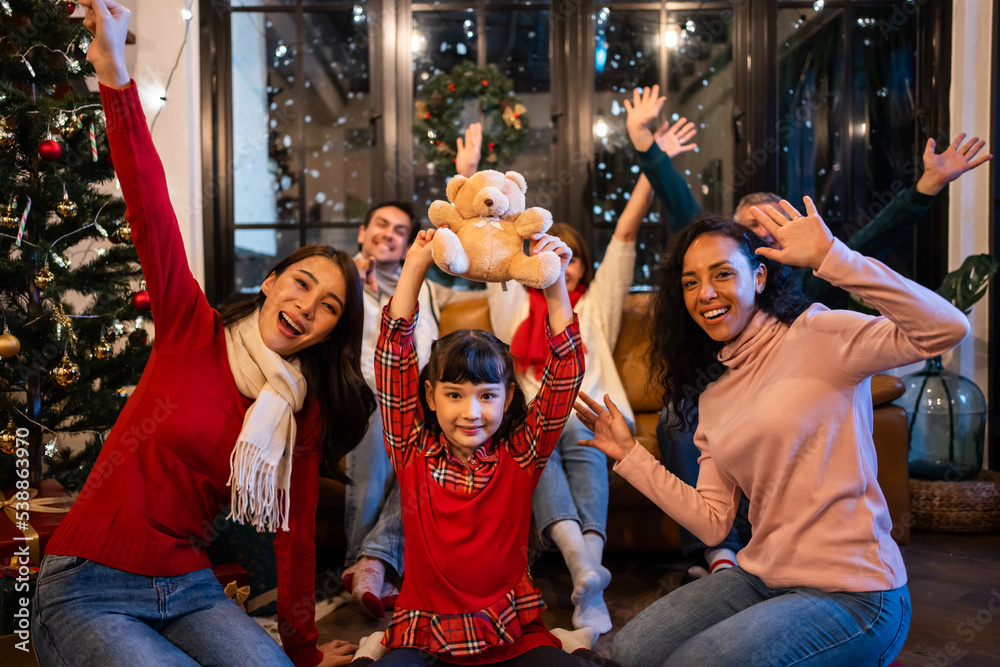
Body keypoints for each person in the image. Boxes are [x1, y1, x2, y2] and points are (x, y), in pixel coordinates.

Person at [33, 3, 373, 666]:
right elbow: (150, 205)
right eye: (302, 284)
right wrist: (114, 74)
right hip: (87, 579)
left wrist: (299, 648)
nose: (308, 306)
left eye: (329, 305)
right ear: (272, 281)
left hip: (187, 584)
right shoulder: (192, 328)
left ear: (332, 329)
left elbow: (295, 539)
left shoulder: (298, 411)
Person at [574, 199, 969, 665]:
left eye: (722, 274)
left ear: (758, 277)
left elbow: (944, 329)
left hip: (857, 592)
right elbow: (713, 521)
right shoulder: (714, 396)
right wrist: (628, 455)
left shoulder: (819, 335)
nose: (705, 294)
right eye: (690, 282)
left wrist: (832, 257)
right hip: (761, 577)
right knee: (633, 649)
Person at [625, 84, 993, 578]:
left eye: (771, 234)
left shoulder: (813, 293)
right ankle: (719, 556)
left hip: (839, 553)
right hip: (724, 403)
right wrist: (646, 146)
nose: (760, 245)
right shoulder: (715, 293)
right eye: (746, 236)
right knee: (678, 413)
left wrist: (924, 188)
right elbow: (683, 208)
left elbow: (874, 242)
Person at [366, 225, 612, 666]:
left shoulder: (522, 453)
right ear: (429, 397)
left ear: (508, 398)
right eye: (454, 394)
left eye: (486, 395)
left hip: (509, 629)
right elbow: (393, 356)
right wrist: (415, 267)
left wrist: (553, 277)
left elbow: (566, 371)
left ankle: (570, 642)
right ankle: (375, 647)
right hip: (425, 630)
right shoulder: (411, 449)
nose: (471, 413)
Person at [342, 124, 486, 619]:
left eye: (400, 231)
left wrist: (466, 180)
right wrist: (346, 287)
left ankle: (369, 567)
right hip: (361, 402)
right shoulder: (338, 284)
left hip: (416, 407)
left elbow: (469, 264)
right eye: (380, 226)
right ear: (363, 233)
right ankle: (365, 565)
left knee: (433, 449)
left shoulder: (426, 290)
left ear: (408, 247)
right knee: (381, 433)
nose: (388, 234)